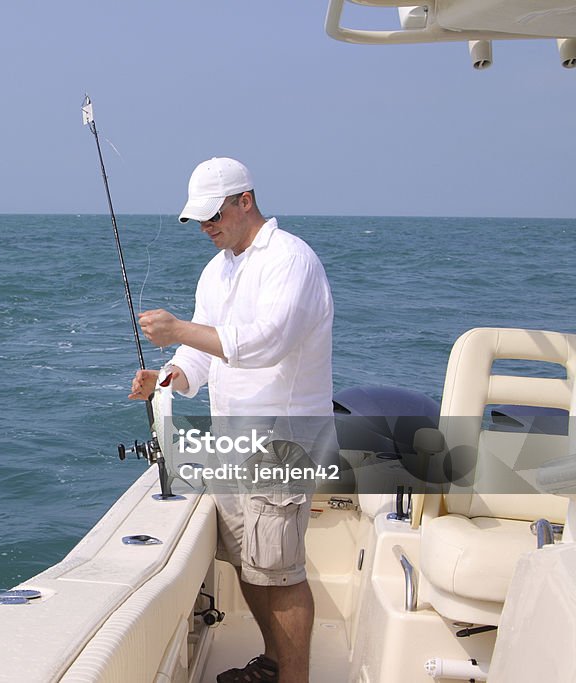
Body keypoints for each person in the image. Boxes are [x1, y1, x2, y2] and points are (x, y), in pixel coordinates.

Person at [128, 157, 334, 683]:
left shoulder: (291, 259)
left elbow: (267, 344)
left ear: (246, 201)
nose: (207, 228)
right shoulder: (217, 270)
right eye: (199, 220)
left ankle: (295, 677)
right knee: (249, 563)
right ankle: (272, 662)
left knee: (281, 573)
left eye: (214, 215)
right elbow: (204, 354)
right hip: (233, 441)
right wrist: (169, 375)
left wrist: (178, 331)